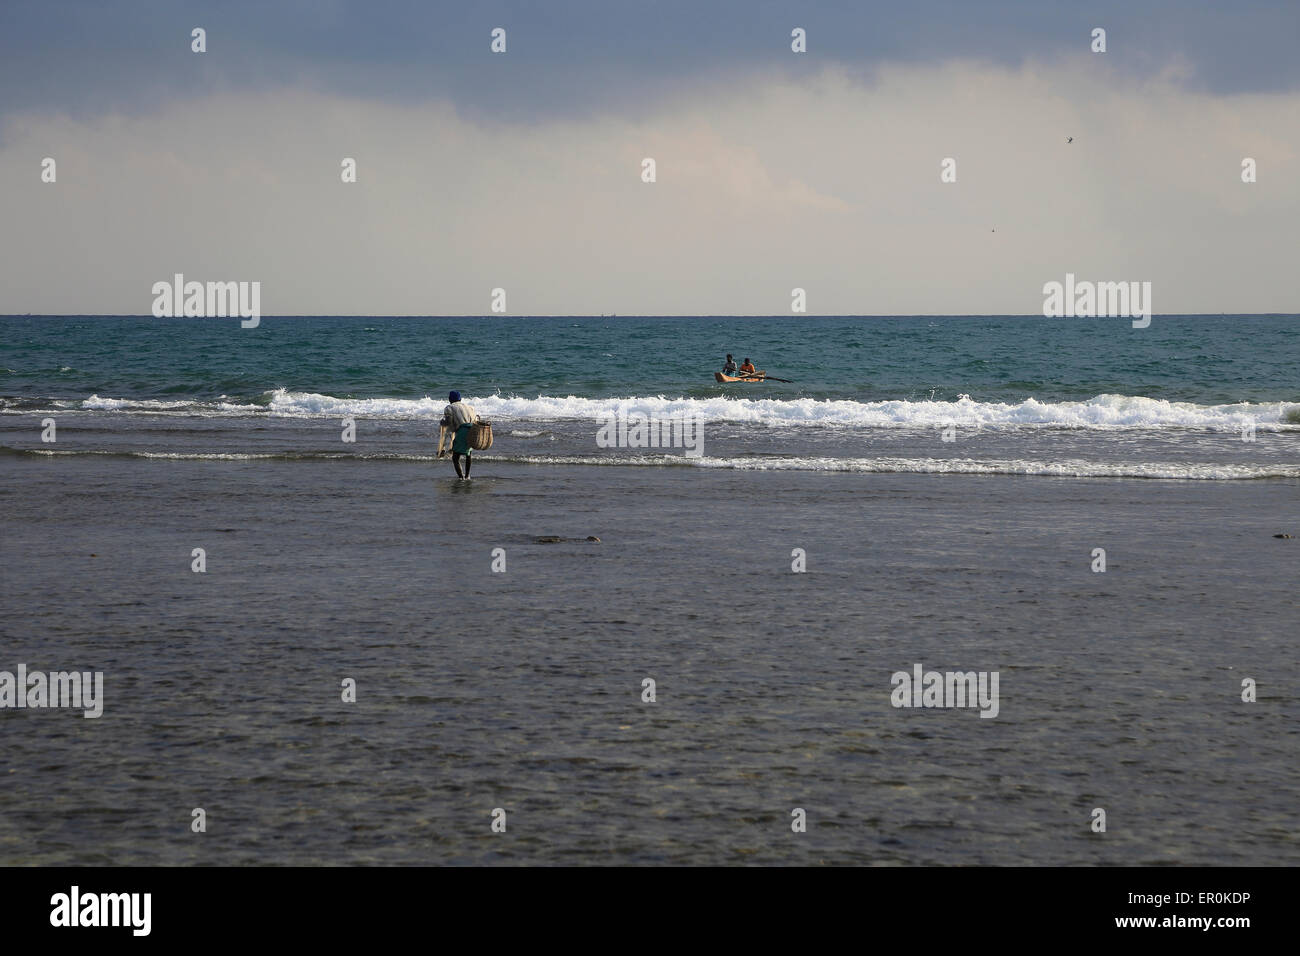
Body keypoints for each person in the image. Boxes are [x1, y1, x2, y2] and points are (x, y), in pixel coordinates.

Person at [441, 390, 479, 480]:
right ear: (460, 399)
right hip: (472, 431)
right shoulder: (469, 407)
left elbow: (448, 424)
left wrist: (443, 445)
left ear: (450, 399)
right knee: (468, 454)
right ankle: (468, 476)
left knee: (455, 457)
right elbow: (475, 419)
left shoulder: (449, 408)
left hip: (462, 431)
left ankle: (461, 477)